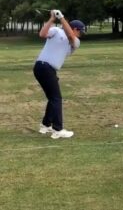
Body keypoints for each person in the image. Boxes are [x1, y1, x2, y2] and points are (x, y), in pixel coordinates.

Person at [33, 10, 85, 139]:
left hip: (48, 69)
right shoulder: (56, 31)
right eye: (80, 31)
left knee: (53, 98)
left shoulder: (75, 42)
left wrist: (61, 17)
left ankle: (45, 125)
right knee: (56, 98)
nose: (80, 35)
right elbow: (42, 34)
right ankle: (58, 129)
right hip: (42, 67)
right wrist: (52, 19)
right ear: (75, 28)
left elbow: (71, 36)